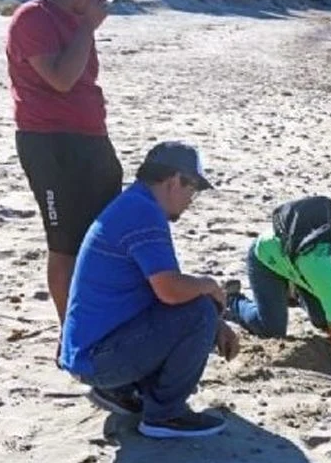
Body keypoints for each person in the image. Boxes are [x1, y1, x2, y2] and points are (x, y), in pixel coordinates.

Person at [59, 141, 240, 439]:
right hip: (99, 358)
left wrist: (217, 322)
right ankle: (165, 415)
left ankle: (120, 390)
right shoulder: (143, 212)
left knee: (199, 308)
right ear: (173, 182)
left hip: (88, 352)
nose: (191, 199)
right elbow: (170, 291)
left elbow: (161, 291)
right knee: (200, 310)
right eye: (192, 189)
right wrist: (210, 288)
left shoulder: (135, 203)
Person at [7, 0, 130, 327]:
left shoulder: (77, 21)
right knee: (65, 244)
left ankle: (102, 318)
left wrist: (84, 26)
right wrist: (87, 28)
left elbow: (82, 79)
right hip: (49, 144)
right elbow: (61, 80)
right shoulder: (33, 18)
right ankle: (71, 333)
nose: (103, 4)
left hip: (92, 139)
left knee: (106, 236)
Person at [226, 197, 331, 387]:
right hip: (268, 257)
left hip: (305, 261)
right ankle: (232, 299)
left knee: (323, 320)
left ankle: (293, 291)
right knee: (272, 329)